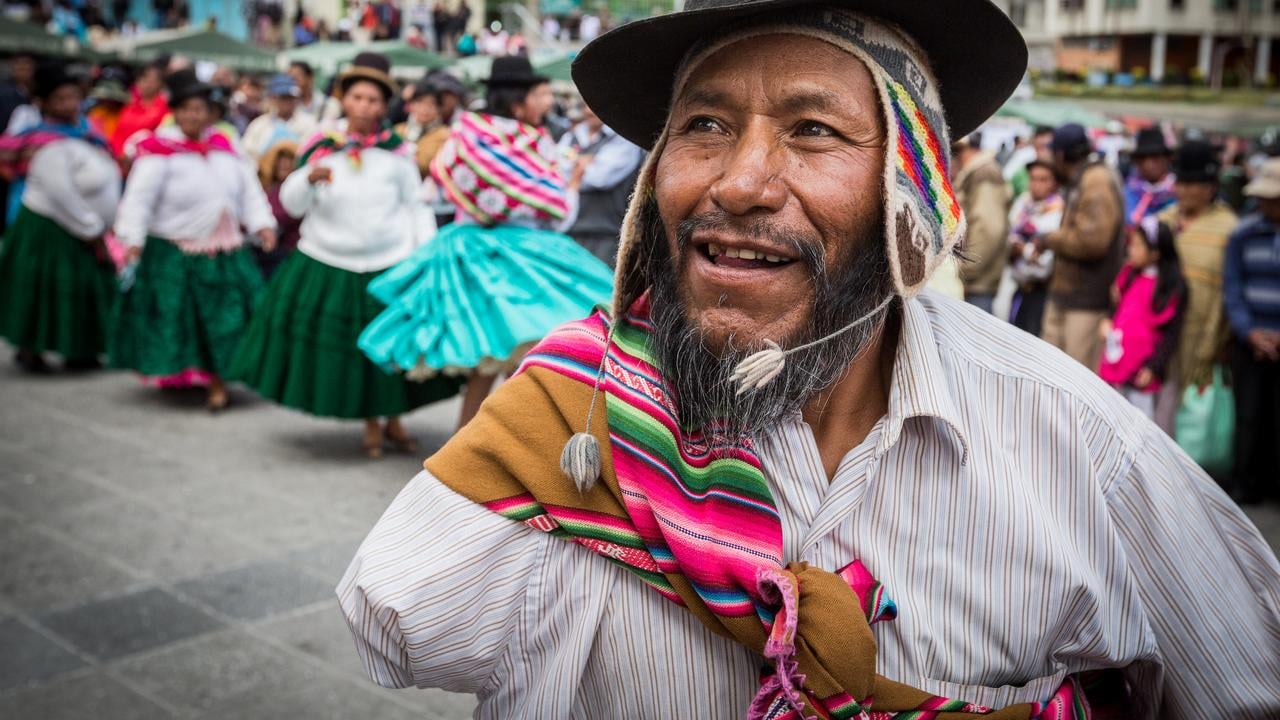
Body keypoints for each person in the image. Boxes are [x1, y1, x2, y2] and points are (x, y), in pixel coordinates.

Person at [339, 1, 1280, 716]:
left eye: (814, 130)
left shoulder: (1083, 448)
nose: (741, 182)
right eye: (704, 125)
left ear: (913, 189)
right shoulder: (561, 420)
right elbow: (396, 622)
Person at [357, 55, 613, 430]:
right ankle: (511, 445)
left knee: (486, 363)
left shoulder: (466, 134)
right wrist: (570, 184)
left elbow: (439, 190)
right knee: (526, 360)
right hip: (527, 257)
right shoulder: (536, 142)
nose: (543, 103)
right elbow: (559, 212)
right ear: (518, 101)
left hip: (472, 253)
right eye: (538, 95)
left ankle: (464, 447)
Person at [229, 53, 459, 458]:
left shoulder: (398, 153)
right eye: (357, 98)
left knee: (392, 351)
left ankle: (393, 421)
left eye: (373, 100)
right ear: (343, 100)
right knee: (351, 352)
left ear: (384, 106)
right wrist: (307, 178)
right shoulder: (321, 146)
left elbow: (415, 205)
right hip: (329, 259)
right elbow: (292, 203)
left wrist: (422, 255)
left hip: (388, 263)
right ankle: (371, 423)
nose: (365, 107)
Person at [111, 74, 277, 412]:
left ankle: (220, 380)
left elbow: (249, 191)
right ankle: (190, 374)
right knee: (186, 320)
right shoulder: (158, 153)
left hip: (225, 252)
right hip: (177, 252)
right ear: (175, 112)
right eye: (186, 109)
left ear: (211, 113)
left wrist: (262, 224)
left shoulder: (225, 150)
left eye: (200, 109)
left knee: (226, 320)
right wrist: (132, 238)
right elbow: (138, 200)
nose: (193, 116)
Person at [0, 66, 120, 372]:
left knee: (79, 291)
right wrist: (91, 228)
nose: (69, 105)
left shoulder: (87, 133)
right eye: (61, 99)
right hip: (50, 227)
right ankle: (32, 349)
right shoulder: (45, 142)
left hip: (82, 227)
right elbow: (61, 194)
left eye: (74, 97)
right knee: (45, 291)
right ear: (44, 103)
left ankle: (79, 349)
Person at [1153, 139, 1238, 434]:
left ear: (1210, 188)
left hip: (1202, 337)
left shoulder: (1228, 228)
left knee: (1192, 416)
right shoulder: (1162, 220)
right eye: (1180, 183)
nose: (1184, 191)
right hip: (1159, 337)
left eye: (1192, 184)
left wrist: (1213, 345)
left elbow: (1226, 295)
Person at [1040, 123, 1125, 370]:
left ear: (1060, 155)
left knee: (1073, 374)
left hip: (1085, 301)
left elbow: (1093, 242)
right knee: (1050, 372)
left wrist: (1049, 239)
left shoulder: (1096, 180)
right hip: (1068, 297)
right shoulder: (1084, 177)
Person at [1224, 158, 1280, 504]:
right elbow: (1233, 289)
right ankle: (1247, 484)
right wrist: (1251, 333)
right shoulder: (1243, 234)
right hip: (1250, 341)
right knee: (1249, 415)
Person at [1097, 218, 1186, 420]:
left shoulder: (1171, 287)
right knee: (1108, 414)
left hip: (1141, 369)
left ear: (1155, 253)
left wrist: (1153, 367)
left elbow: (1171, 335)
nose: (1130, 250)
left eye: (1137, 246)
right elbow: (1117, 306)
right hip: (1116, 359)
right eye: (1131, 244)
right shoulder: (1128, 275)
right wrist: (1107, 320)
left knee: (1137, 421)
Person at [557, 100, 644, 265]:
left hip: (605, 236)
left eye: (594, 105)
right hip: (568, 232)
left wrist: (574, 172)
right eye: (585, 105)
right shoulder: (570, 136)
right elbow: (556, 173)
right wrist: (582, 166)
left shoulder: (623, 140)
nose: (589, 111)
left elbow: (599, 178)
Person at [951, 132, 1008, 313]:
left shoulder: (984, 173)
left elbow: (988, 227)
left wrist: (966, 268)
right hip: (972, 282)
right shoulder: (976, 173)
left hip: (976, 285)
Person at [1006, 158, 1062, 337]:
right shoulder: (1023, 205)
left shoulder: (1058, 212)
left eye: (1043, 179)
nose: (1037, 184)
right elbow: (1008, 234)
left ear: (1054, 183)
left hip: (1040, 293)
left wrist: (1024, 250)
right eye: (1033, 178)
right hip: (1020, 287)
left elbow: (1046, 261)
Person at [251, 139, 301, 279]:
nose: (285, 164)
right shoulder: (265, 186)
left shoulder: (297, 189)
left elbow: (282, 216)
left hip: (288, 252)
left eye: (290, 159)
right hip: (263, 249)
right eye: (280, 159)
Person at [240, 73, 316, 162]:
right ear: (272, 98)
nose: (287, 102)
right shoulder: (259, 125)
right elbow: (246, 154)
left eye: (290, 97)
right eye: (283, 97)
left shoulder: (309, 123)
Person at [110, 60, 168, 158]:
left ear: (161, 84)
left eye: (152, 81)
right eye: (143, 79)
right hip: (117, 156)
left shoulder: (165, 107)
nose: (147, 84)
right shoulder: (128, 103)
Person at [393, 79, 450, 178]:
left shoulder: (444, 135)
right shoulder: (399, 129)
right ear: (411, 105)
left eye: (431, 104)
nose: (425, 109)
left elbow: (424, 165)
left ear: (439, 109)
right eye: (420, 102)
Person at [1124, 127, 1176, 226]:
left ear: (1167, 158)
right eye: (1142, 158)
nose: (1148, 164)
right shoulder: (1127, 193)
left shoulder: (1179, 192)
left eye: (1155, 157)